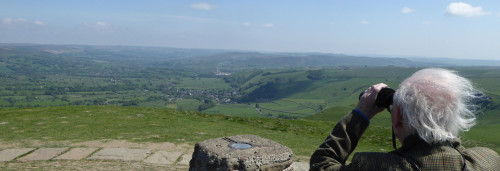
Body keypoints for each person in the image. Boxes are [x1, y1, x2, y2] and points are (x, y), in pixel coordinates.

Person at [310, 68, 500, 170]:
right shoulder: (487, 160)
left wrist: (361, 113)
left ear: (398, 116)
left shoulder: (378, 166)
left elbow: (321, 165)